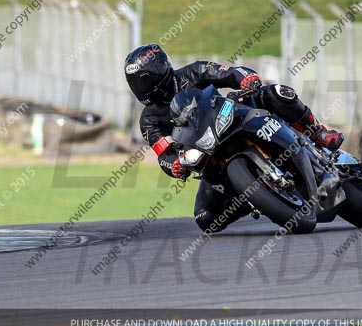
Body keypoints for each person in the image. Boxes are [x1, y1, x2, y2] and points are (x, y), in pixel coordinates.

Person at [124, 44, 344, 231]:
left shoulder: (194, 72)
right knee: (206, 218)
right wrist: (175, 165)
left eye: (143, 81)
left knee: (275, 92)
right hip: (208, 153)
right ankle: (253, 197)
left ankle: (317, 132)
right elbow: (164, 152)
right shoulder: (149, 120)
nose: (140, 89)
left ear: (159, 71)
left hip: (233, 117)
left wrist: (246, 79)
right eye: (135, 84)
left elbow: (228, 73)